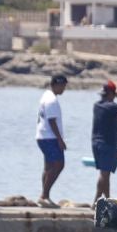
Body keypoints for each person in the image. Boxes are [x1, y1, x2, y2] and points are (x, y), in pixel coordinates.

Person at [91, 80, 117, 200]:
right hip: (107, 143)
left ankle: (107, 199)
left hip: (96, 142)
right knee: (105, 173)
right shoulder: (112, 106)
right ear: (112, 94)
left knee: (104, 173)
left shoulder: (97, 105)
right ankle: (96, 201)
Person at [36, 74, 69, 204]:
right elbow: (52, 121)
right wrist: (60, 139)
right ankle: (44, 195)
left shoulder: (46, 96)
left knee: (49, 167)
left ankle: (44, 196)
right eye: (63, 86)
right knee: (59, 165)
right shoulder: (51, 100)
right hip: (49, 137)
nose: (64, 89)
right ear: (57, 84)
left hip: (43, 136)